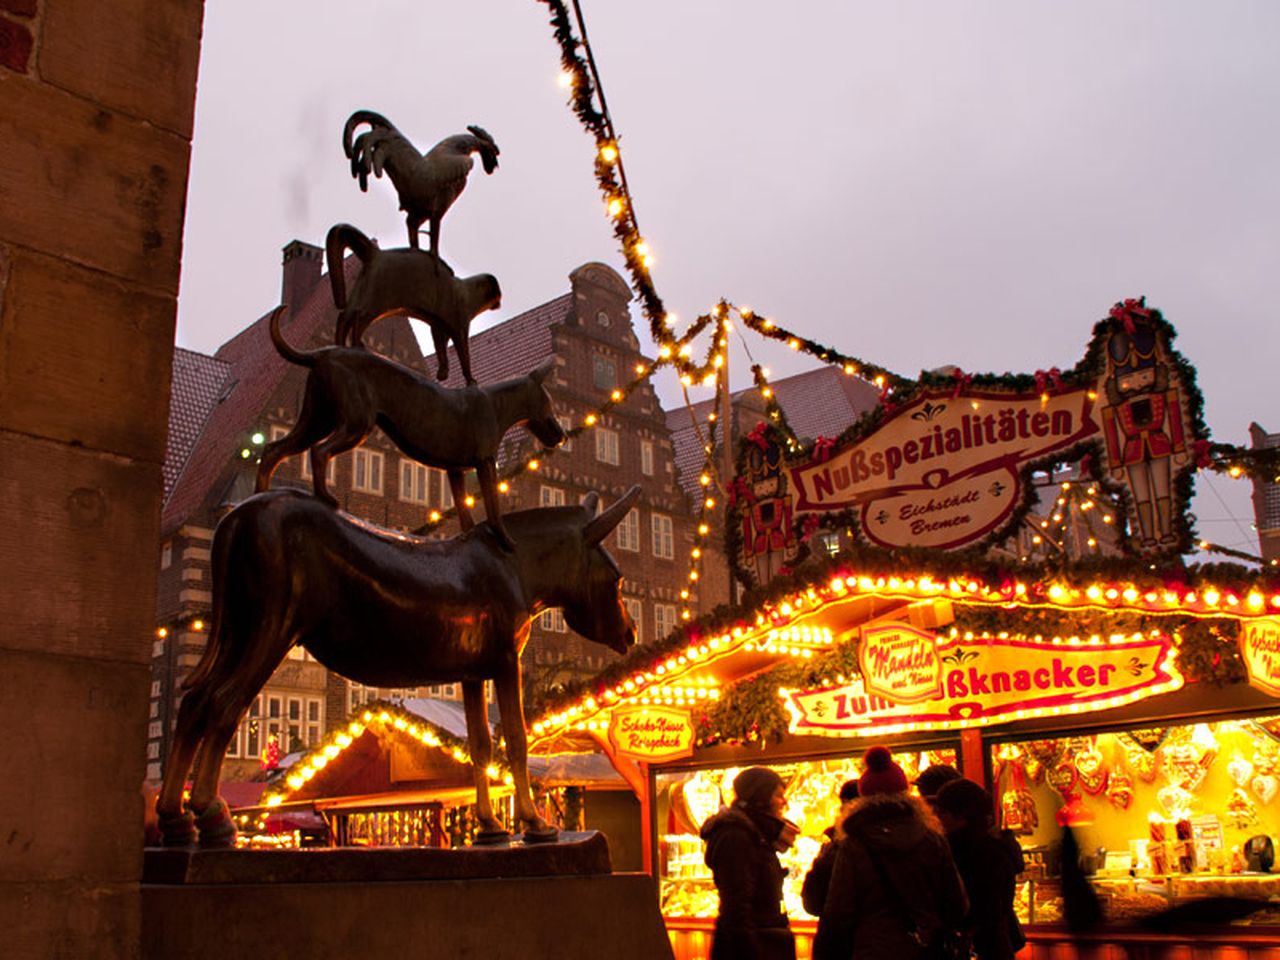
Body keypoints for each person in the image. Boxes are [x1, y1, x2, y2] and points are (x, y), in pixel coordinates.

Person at [813, 746, 968, 960]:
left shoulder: (854, 844)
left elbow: (840, 909)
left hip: (873, 948)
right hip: (926, 946)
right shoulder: (931, 839)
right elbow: (956, 901)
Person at [700, 766, 799, 960]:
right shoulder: (736, 836)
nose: (784, 802)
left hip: (765, 941)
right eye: (778, 795)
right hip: (752, 947)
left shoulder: (757, 834)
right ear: (761, 797)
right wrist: (750, 951)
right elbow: (736, 906)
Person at [934, 778, 1025, 960]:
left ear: (962, 816)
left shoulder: (966, 853)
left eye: (942, 813)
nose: (937, 819)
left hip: (977, 947)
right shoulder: (998, 846)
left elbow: (978, 907)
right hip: (999, 944)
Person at [801, 778, 859, 916]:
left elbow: (813, 902)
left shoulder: (837, 848)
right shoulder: (896, 840)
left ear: (845, 804)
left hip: (844, 930)